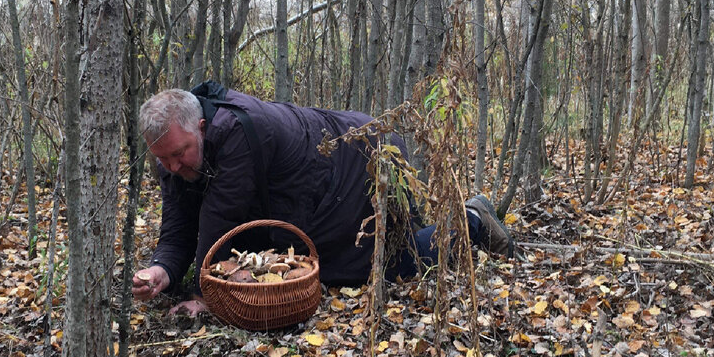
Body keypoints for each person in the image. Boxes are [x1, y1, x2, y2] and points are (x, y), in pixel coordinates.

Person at [131, 83, 513, 314]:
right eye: (161, 158)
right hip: (309, 184)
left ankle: (471, 220)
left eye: (179, 153)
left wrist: (204, 294)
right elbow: (179, 224)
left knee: (378, 264)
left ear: (201, 127)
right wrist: (162, 269)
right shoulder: (177, 153)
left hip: (355, 163)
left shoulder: (237, 132)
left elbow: (219, 218)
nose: (172, 165)